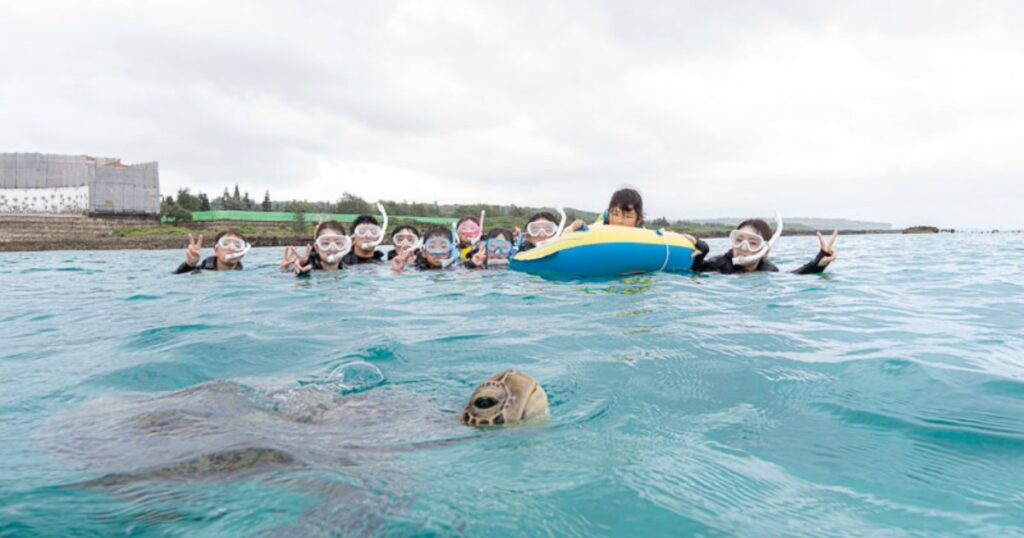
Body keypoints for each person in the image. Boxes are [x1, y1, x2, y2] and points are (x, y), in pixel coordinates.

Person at [692, 218, 838, 274]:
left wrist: (819, 262)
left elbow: (795, 275)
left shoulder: (768, 270)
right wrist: (700, 255)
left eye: (753, 243)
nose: (743, 247)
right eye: (739, 240)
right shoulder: (720, 263)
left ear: (765, 252)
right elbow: (696, 272)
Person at [281, 220, 351, 275]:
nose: (332, 248)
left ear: (345, 246)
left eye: (337, 243)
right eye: (325, 243)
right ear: (317, 248)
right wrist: (285, 269)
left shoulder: (349, 271)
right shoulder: (307, 268)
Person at [565, 188, 644, 232]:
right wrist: (575, 227)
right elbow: (566, 233)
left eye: (627, 216)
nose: (620, 221)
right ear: (609, 214)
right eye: (615, 214)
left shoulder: (646, 240)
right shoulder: (597, 229)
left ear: (638, 220)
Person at [174, 231, 249, 274]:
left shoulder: (245, 276)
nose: (231, 248)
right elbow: (176, 276)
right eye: (225, 243)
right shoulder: (201, 271)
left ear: (242, 253)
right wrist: (189, 265)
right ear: (216, 250)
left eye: (238, 245)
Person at [392, 226, 457, 271]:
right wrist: (397, 271)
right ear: (424, 252)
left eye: (443, 247)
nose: (438, 252)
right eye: (432, 247)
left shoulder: (458, 268)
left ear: (451, 250)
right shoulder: (416, 269)